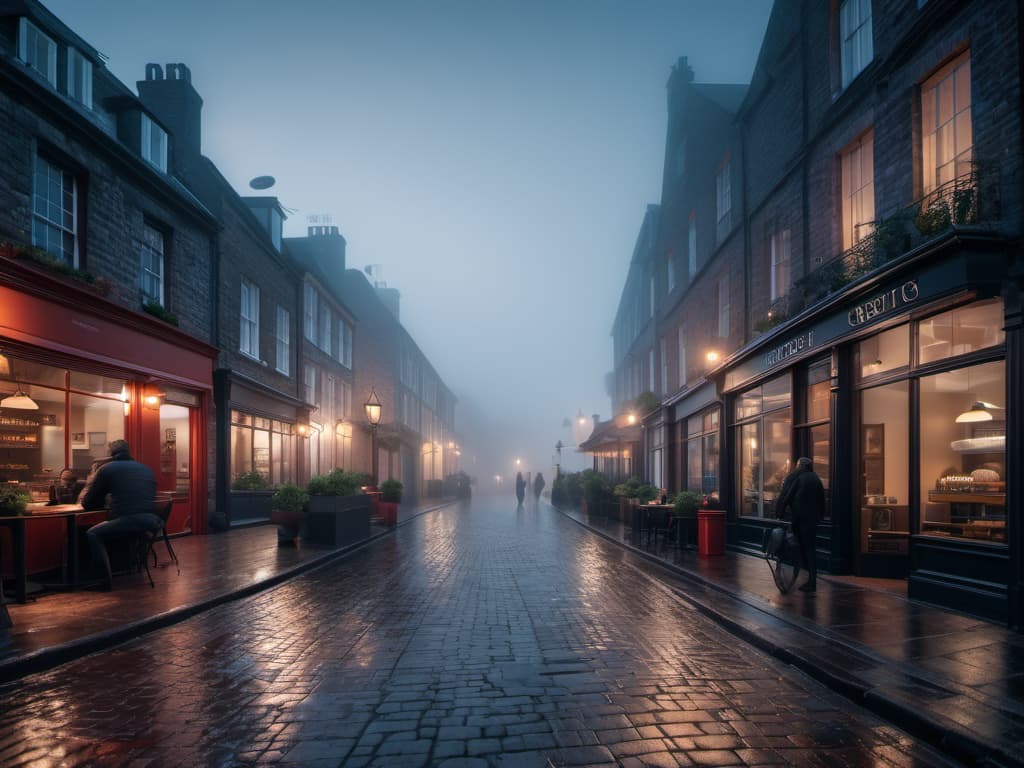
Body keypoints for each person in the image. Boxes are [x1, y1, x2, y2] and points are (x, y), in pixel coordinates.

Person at [80, 440, 161, 590]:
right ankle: (128, 570)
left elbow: (88, 503)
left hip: (128, 520)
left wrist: (92, 480)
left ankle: (103, 581)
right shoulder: (145, 469)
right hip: (151, 521)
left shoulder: (107, 469)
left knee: (93, 533)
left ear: (110, 454)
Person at [773, 456, 825, 593]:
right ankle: (811, 579)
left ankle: (806, 579)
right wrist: (821, 516)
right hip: (812, 520)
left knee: (798, 547)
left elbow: (787, 496)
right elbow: (822, 499)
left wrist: (780, 512)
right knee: (810, 549)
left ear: (799, 466)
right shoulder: (815, 478)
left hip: (800, 519)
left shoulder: (797, 477)